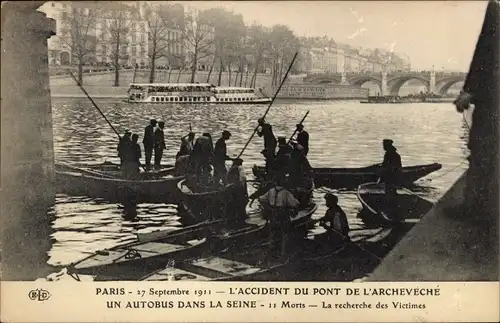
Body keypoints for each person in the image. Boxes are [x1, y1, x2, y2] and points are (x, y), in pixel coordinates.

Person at [258, 177, 299, 259]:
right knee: (284, 233)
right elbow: (295, 204)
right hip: (283, 214)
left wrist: (268, 208)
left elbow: (261, 199)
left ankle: (271, 250)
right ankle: (283, 253)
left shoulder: (271, 191)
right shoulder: (286, 193)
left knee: (273, 232)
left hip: (273, 214)